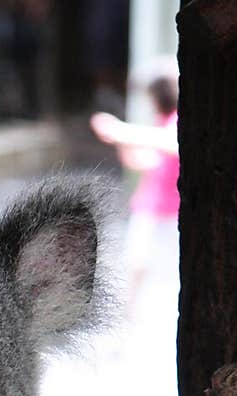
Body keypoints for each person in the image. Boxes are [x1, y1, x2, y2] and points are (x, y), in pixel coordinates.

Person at [91, 68, 179, 312]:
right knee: (136, 266)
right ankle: (126, 318)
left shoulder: (176, 123)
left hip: (172, 212)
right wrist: (120, 141)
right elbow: (146, 161)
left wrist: (123, 131)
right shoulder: (162, 123)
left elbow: (173, 143)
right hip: (152, 207)